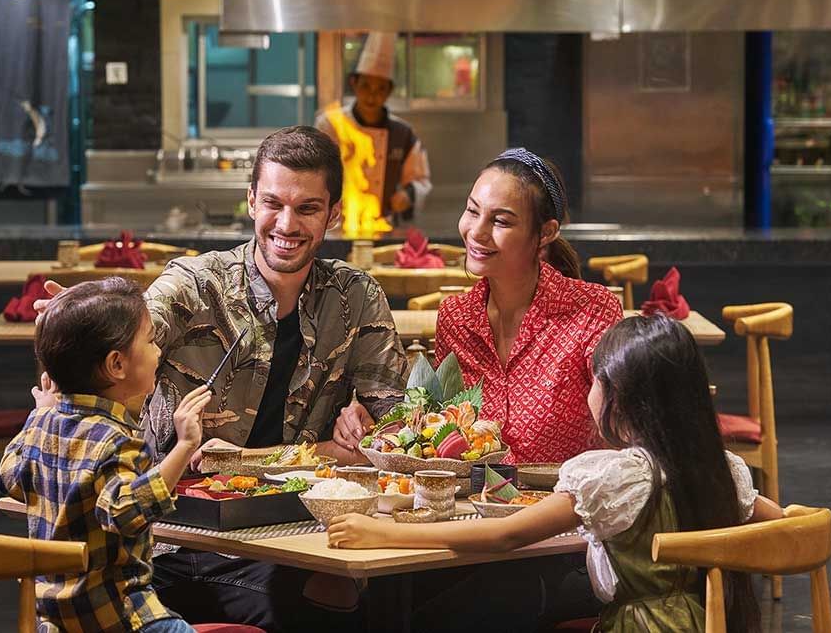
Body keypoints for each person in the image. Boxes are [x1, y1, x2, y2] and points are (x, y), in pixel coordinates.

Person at [34, 125, 408, 631]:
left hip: (287, 536)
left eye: (307, 208)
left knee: (360, 602)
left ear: (333, 214)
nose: (286, 223)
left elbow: (401, 429)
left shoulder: (355, 296)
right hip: (167, 536)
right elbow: (119, 347)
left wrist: (366, 429)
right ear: (251, 200)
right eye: (273, 202)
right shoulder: (196, 282)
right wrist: (80, 331)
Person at [328, 314, 785, 632]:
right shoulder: (721, 469)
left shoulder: (615, 478)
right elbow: (786, 526)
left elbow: (503, 536)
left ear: (620, 400)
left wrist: (379, 532)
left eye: (595, 380)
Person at [0, 277, 213, 633]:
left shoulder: (41, 426)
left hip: (54, 622)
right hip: (119, 618)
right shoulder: (119, 441)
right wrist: (185, 446)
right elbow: (127, 512)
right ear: (117, 365)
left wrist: (40, 413)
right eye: (150, 341)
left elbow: (10, 476)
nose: (159, 351)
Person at [436, 147, 623, 465]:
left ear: (546, 232)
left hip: (567, 505)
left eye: (501, 222)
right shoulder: (455, 317)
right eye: (472, 211)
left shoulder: (593, 311)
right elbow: (444, 438)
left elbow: (621, 436)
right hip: (475, 505)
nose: (477, 232)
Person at [315, 32, 431, 223]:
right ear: (354, 83)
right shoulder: (330, 124)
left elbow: (420, 180)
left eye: (380, 89)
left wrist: (408, 195)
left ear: (389, 91)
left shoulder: (403, 133)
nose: (371, 96)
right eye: (366, 86)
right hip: (336, 224)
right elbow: (316, 172)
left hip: (382, 226)